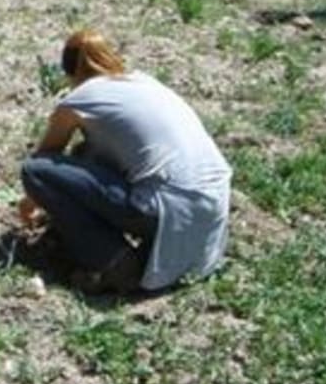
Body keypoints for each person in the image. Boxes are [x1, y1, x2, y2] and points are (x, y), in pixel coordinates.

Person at [19, 29, 232, 294]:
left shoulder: (79, 100)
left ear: (71, 73)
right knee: (85, 151)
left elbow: (46, 159)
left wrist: (29, 203)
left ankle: (115, 263)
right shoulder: (145, 83)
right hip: (212, 205)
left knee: (35, 170)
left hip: (166, 207)